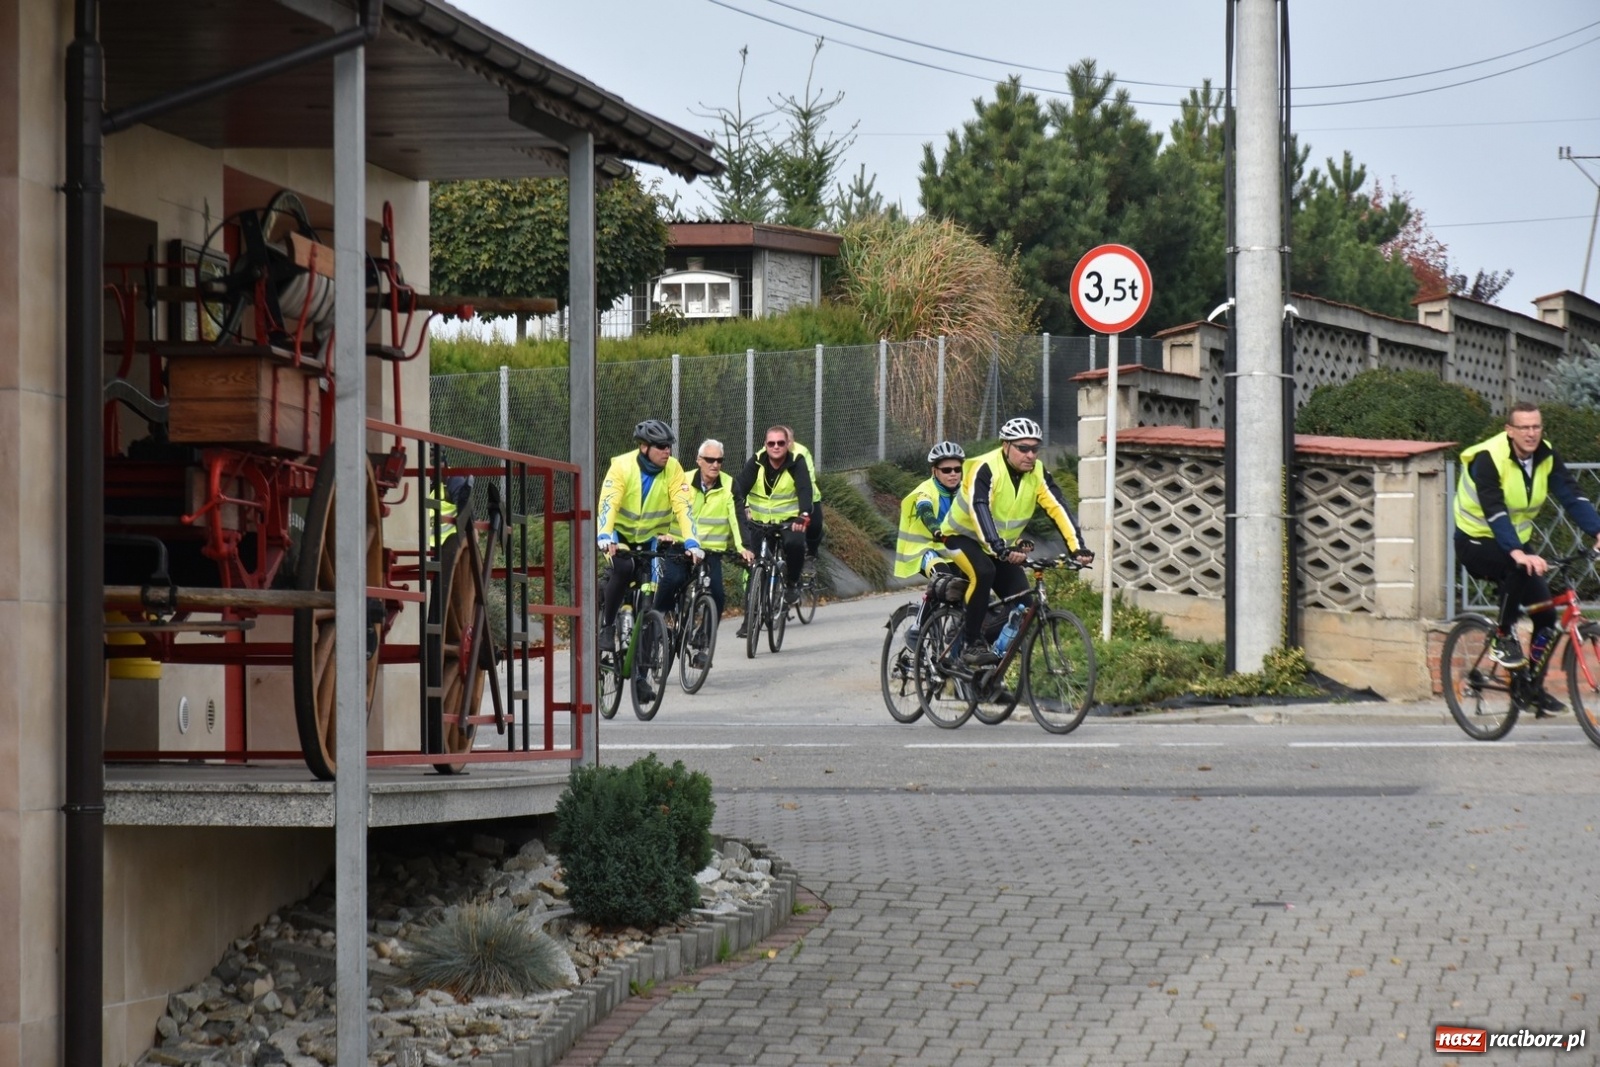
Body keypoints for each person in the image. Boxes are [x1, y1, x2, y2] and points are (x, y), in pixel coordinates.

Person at [1453, 402, 1600, 715]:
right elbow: (1494, 508)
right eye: (1524, 427)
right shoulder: (1488, 459)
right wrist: (1517, 551)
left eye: (1536, 427)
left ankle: (1530, 687)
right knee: (1517, 566)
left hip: (1513, 541)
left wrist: (1597, 530)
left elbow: (1572, 496)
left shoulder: (1545, 456)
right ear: (1509, 430)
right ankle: (1503, 637)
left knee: (1545, 617)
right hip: (1476, 540)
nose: (1532, 433)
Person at [940, 417, 1093, 667]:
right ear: (1005, 445)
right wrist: (999, 547)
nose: (1030, 455)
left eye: (1035, 448)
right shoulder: (985, 467)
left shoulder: (1038, 473)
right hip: (961, 537)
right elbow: (980, 509)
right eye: (1023, 448)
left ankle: (982, 649)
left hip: (1000, 547)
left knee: (1023, 606)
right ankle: (971, 643)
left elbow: (1058, 508)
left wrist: (1077, 548)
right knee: (983, 571)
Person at [596, 419, 701, 655]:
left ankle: (641, 674)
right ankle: (608, 626)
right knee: (623, 569)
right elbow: (608, 503)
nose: (667, 451)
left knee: (650, 594)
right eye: (661, 446)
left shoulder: (673, 468)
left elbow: (684, 507)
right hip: (618, 534)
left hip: (651, 538)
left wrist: (692, 541)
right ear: (644, 447)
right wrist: (604, 535)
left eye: (669, 446)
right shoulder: (622, 466)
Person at [733, 425, 813, 610]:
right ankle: (751, 617)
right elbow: (740, 488)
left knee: (795, 545)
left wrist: (804, 514)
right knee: (754, 565)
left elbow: (804, 489)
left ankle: (792, 583)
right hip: (760, 523)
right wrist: (742, 507)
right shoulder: (757, 462)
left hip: (789, 522)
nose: (775, 447)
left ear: (787, 445)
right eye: (771, 443)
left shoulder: (797, 462)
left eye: (780, 443)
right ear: (765, 445)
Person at [894, 441, 967, 642]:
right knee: (942, 578)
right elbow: (925, 511)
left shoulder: (966, 491)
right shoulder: (925, 491)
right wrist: (936, 529)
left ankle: (959, 630)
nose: (953, 474)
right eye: (946, 470)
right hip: (924, 550)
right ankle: (917, 629)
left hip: (954, 550)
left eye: (957, 469)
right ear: (935, 471)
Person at [678, 438, 754, 625]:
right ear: (699, 460)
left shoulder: (729, 484)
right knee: (674, 584)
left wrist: (743, 546)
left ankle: (705, 638)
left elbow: (737, 518)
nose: (715, 464)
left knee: (718, 595)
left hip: (712, 551)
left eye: (719, 461)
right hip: (683, 546)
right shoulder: (683, 480)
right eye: (710, 460)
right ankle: (666, 621)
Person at [779, 427, 825, 560]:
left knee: (815, 526)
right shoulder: (768, 452)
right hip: (782, 501)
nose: (782, 445)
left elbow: (807, 479)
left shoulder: (801, 452)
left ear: (791, 441)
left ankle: (811, 554)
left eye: (787, 441)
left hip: (808, 497)